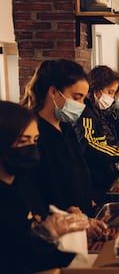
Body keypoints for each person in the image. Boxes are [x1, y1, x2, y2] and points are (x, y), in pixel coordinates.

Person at [21, 59, 107, 238]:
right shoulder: (34, 133)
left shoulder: (66, 126)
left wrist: (87, 200)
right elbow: (35, 186)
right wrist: (66, 212)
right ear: (53, 92)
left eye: (83, 98)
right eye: (76, 97)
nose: (81, 105)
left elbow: (75, 169)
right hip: (57, 227)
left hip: (81, 221)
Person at [0, 100, 89, 273]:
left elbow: (39, 222)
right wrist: (44, 234)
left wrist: (66, 225)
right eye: (23, 141)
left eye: (35, 140)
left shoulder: (25, 184)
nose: (31, 148)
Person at [74, 65, 119, 207]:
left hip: (102, 177)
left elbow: (103, 143)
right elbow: (90, 145)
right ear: (96, 89)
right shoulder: (86, 113)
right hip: (92, 181)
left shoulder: (97, 110)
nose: (112, 98)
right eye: (110, 92)